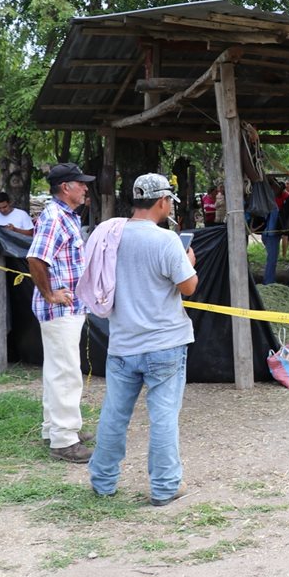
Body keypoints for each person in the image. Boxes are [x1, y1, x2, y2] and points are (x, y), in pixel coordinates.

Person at [89, 173, 197, 507]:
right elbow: (188, 287)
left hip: (122, 342)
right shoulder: (165, 241)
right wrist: (189, 263)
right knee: (163, 416)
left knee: (113, 414)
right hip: (165, 343)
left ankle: (103, 482)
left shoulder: (110, 234)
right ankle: (164, 487)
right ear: (163, 202)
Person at [26, 163, 95, 463]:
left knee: (58, 370)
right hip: (60, 308)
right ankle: (64, 440)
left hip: (66, 307)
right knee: (66, 372)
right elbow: (36, 258)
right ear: (66, 187)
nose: (85, 188)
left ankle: (57, 429)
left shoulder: (63, 216)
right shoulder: (55, 217)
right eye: (80, 184)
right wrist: (50, 293)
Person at [261, 182, 289, 285]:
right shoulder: (271, 205)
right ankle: (268, 282)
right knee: (272, 259)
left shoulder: (269, 204)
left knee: (272, 258)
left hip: (270, 233)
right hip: (270, 234)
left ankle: (269, 280)